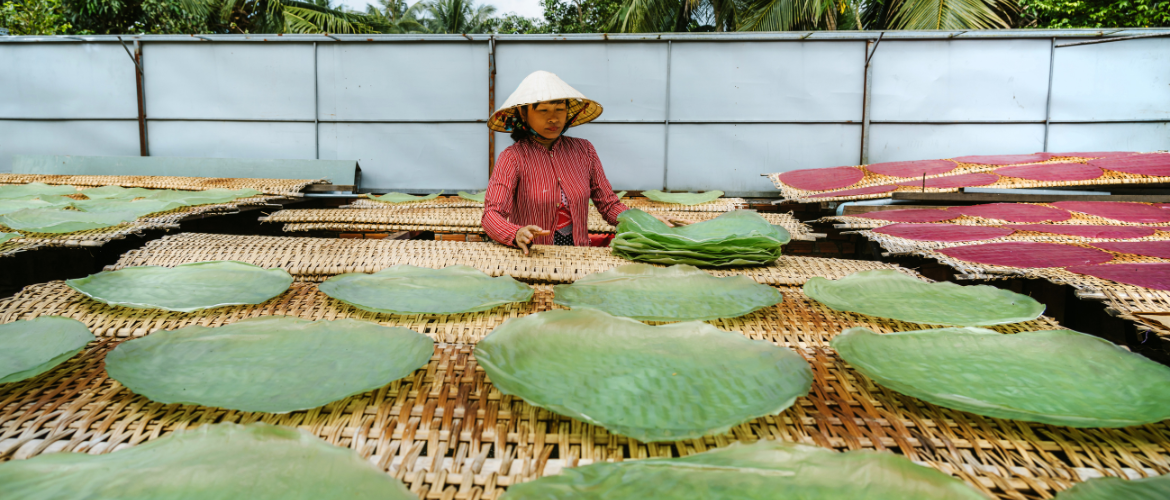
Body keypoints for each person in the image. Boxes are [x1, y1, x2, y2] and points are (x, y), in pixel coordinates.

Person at [483, 70, 679, 255]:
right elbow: (491, 215)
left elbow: (609, 206)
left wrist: (643, 220)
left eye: (560, 109)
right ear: (523, 114)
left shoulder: (584, 151)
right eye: (543, 110)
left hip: (579, 257)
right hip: (533, 257)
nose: (553, 118)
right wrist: (516, 233)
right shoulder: (512, 157)